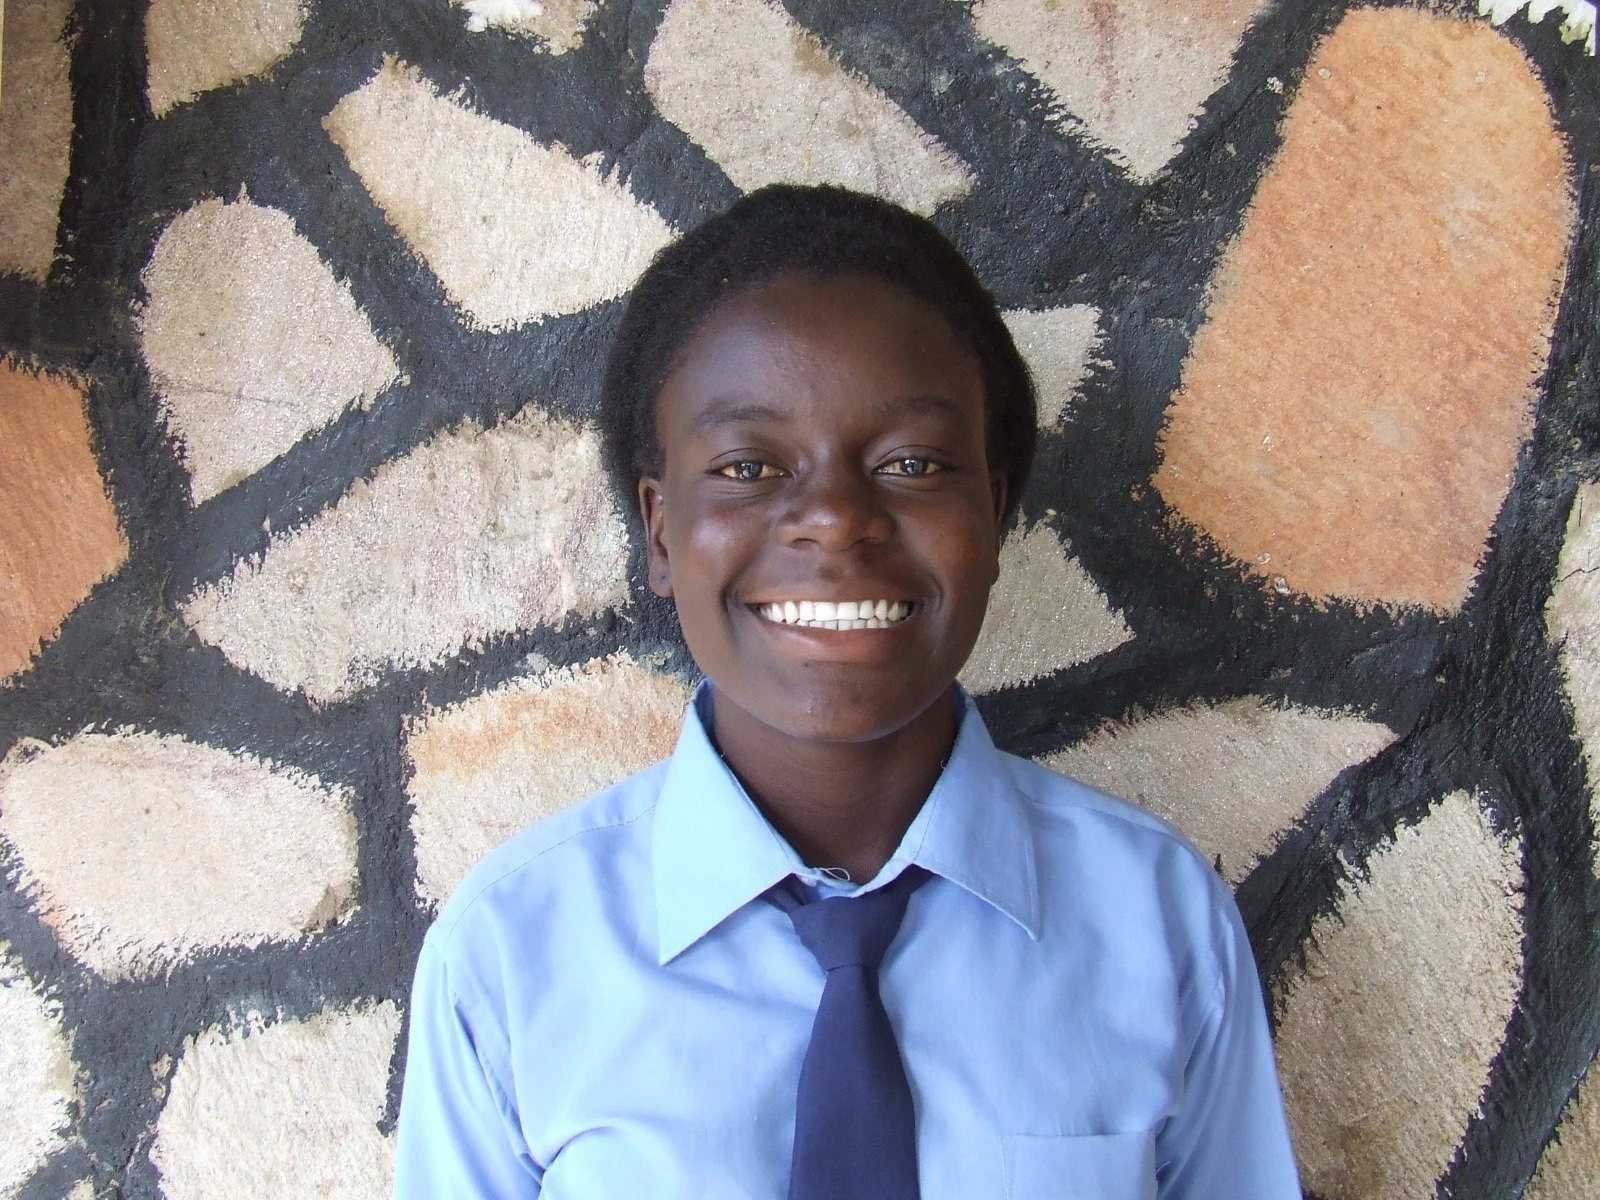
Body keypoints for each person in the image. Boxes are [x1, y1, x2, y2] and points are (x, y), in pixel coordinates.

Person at [393, 184, 1303, 1199]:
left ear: (993, 512)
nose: (833, 519)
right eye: (747, 465)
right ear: (659, 531)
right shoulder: (515, 951)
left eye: (910, 462)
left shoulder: (1155, 921)